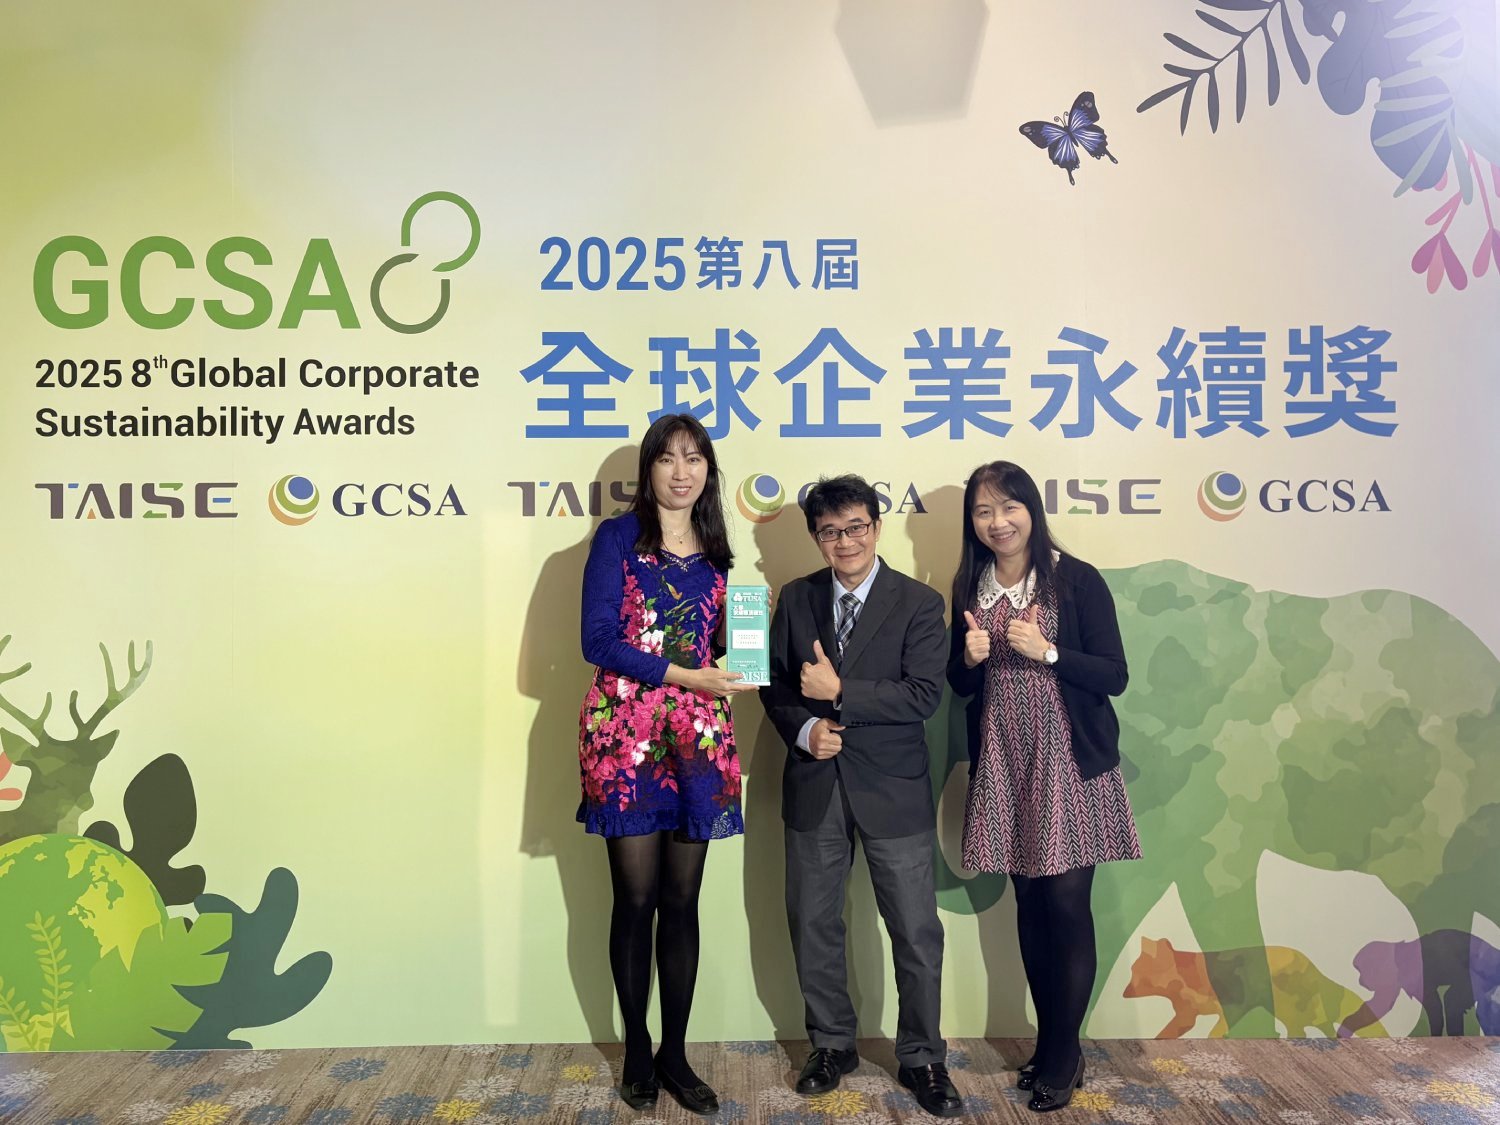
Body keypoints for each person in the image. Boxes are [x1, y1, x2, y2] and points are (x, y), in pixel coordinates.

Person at [762, 474, 964, 1119]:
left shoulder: (918, 602)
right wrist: (806, 728)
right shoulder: (796, 598)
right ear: (816, 538)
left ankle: (923, 1056)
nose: (844, 541)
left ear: (876, 528)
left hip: (893, 788)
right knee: (813, 921)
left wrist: (841, 693)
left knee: (915, 930)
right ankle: (831, 1045)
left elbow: (923, 695)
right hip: (815, 780)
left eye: (855, 527)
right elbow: (775, 686)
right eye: (830, 532)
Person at [947, 461, 1141, 1113]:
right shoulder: (969, 584)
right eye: (983, 511)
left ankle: (1064, 1049)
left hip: (1068, 760)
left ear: (1031, 509)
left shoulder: (1075, 578)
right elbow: (961, 684)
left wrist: (1048, 651)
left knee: (1065, 903)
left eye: (1009, 507)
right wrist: (968, 659)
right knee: (1028, 903)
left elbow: (1114, 674)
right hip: (1005, 759)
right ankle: (1049, 1041)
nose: (997, 522)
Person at [577, 413, 756, 1115]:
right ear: (648, 468)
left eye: (695, 459)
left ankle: (675, 1053)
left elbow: (716, 647)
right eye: (668, 458)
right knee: (636, 900)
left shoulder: (716, 547)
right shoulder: (618, 537)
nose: (682, 472)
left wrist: (744, 639)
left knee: (683, 901)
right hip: (625, 735)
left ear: (708, 471)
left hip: (698, 738)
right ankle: (636, 1048)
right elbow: (597, 640)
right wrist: (687, 676)